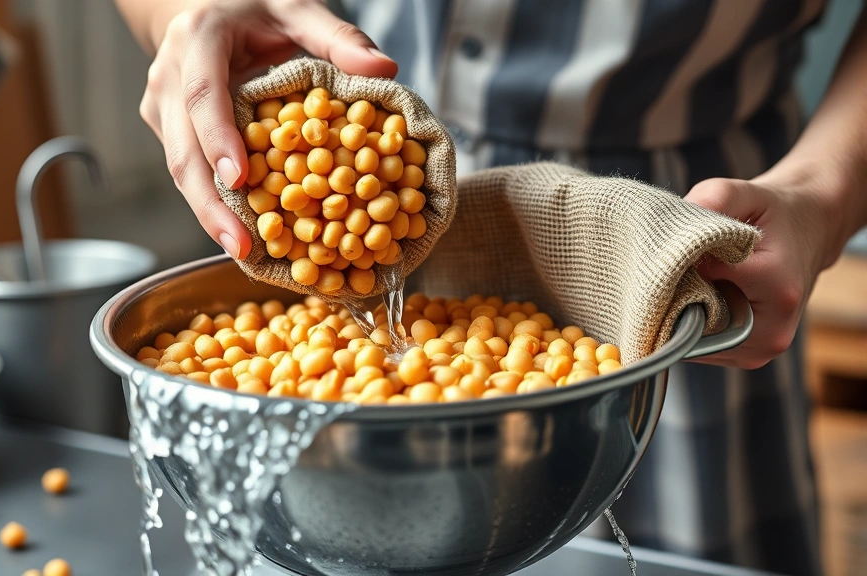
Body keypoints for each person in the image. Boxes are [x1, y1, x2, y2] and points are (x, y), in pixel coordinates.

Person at [114, 1, 867, 574]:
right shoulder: (341, 206)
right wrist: (184, 14)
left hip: (676, 246)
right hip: (363, 124)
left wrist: (822, 193)